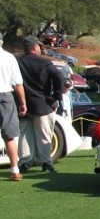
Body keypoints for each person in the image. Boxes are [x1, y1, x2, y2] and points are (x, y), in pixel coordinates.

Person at [17, 35, 64, 173]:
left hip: (22, 103)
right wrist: (55, 97)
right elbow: (59, 78)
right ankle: (46, 162)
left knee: (24, 135)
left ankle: (25, 162)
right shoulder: (45, 63)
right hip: (42, 103)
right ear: (35, 47)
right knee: (44, 135)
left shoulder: (18, 62)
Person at [0, 31, 28, 181]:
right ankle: (15, 170)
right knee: (9, 136)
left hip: (5, 95)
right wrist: (23, 103)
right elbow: (18, 83)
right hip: (5, 96)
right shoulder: (9, 58)